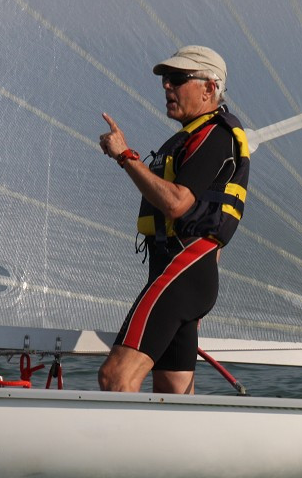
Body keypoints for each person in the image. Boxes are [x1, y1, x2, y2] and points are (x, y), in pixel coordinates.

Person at [97, 45, 249, 394]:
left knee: (116, 377)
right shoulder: (192, 137)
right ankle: (190, 449)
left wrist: (125, 157)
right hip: (183, 275)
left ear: (210, 88)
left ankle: (124, 449)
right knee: (173, 395)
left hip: (182, 274)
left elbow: (177, 204)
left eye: (179, 79)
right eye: (167, 80)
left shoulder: (215, 136)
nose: (168, 86)